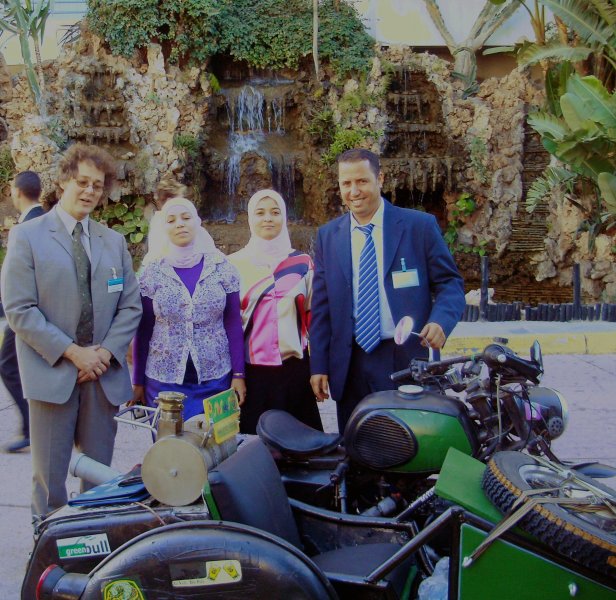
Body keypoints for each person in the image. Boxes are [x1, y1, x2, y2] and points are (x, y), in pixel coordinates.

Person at [0, 144, 142, 518]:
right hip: (52, 373)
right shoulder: (28, 237)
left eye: (97, 185)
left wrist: (103, 354)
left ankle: (92, 541)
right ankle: (47, 546)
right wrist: (73, 353)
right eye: (82, 182)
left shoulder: (114, 242)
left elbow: (131, 306)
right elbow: (20, 309)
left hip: (101, 375)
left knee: (99, 481)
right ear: (64, 181)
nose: (90, 191)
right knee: (50, 482)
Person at [309, 149, 465, 433]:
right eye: (346, 183)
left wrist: (441, 321)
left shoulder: (418, 227)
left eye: (362, 181)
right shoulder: (328, 236)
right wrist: (318, 364)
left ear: (380, 179)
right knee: (356, 443)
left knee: (407, 442)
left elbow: (450, 283)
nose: (354, 191)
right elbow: (322, 307)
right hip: (349, 361)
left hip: (404, 357)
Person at [132, 197, 246, 420]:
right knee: (169, 441)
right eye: (171, 220)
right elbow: (144, 329)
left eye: (186, 218)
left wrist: (239, 374)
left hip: (216, 378)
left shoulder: (222, 268)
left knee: (215, 440)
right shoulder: (151, 273)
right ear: (163, 227)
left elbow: (233, 322)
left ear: (198, 222)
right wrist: (137, 381)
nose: (180, 224)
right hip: (163, 381)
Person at [229, 189, 322, 433]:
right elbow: (230, 324)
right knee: (253, 445)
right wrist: (236, 374)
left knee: (300, 442)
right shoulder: (233, 264)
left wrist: (319, 368)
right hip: (252, 373)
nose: (268, 219)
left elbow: (315, 319)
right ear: (250, 218)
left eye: (275, 212)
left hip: (295, 370)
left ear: (284, 217)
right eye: (260, 213)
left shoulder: (303, 263)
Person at [0, 171, 45, 453]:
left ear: (16, 192)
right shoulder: (48, 221)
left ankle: (32, 428)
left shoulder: (25, 228)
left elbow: (18, 277)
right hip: (37, 310)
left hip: (25, 313)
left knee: (8, 366)